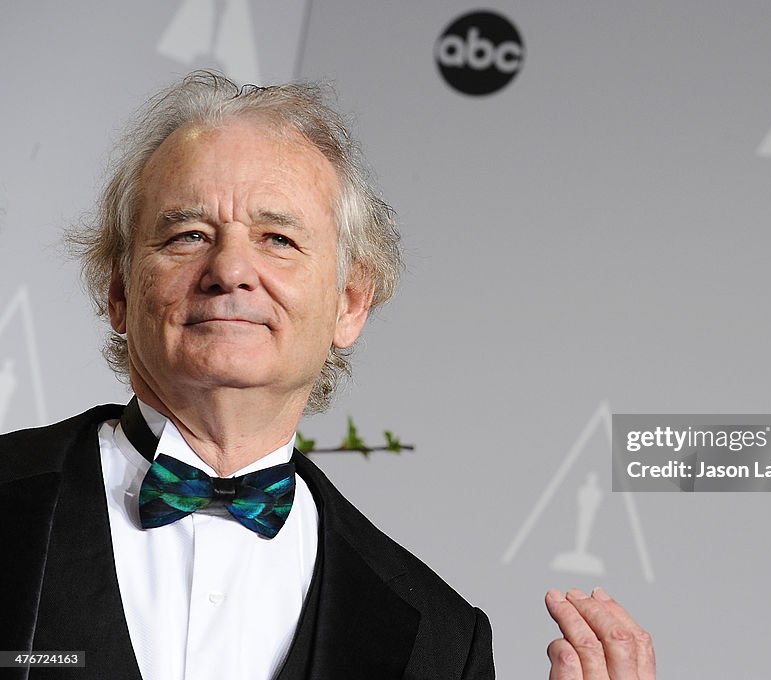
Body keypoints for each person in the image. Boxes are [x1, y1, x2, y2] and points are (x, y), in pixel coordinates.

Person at [0, 72, 654, 680]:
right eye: (189, 235)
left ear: (350, 303)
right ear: (117, 291)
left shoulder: (439, 641)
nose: (230, 270)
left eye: (278, 239)